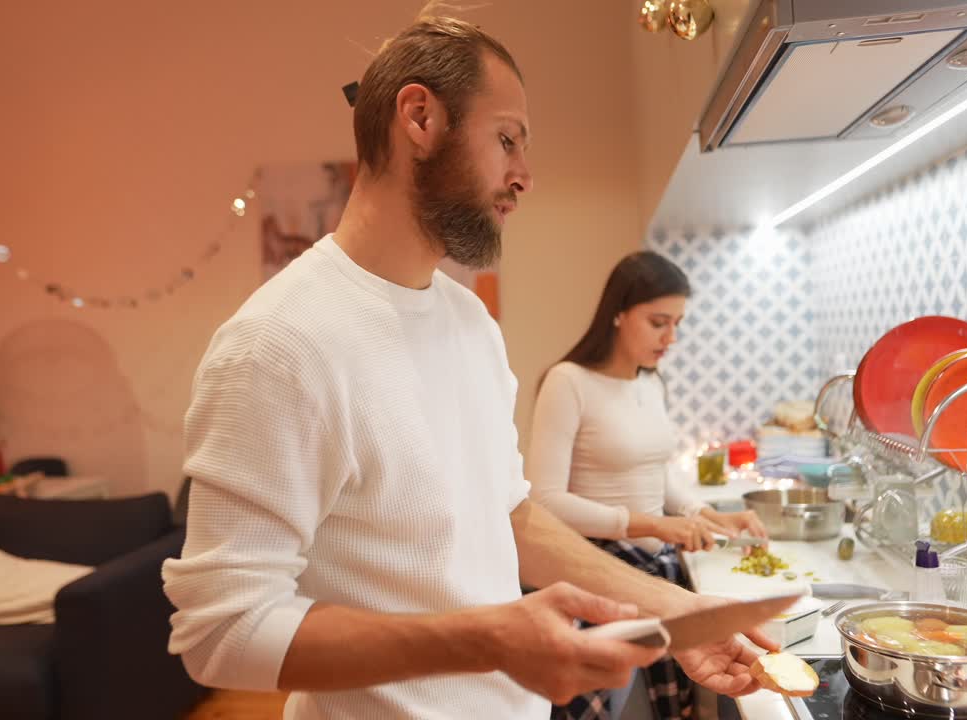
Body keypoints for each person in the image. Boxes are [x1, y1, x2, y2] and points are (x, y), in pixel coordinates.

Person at [162, 13, 776, 720]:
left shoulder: (470, 322)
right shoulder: (277, 343)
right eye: (507, 139)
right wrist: (488, 640)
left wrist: (678, 611)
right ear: (420, 118)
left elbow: (512, 517)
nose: (525, 176)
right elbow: (222, 631)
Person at [528, 251, 769, 719]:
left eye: (677, 323)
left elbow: (658, 472)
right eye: (659, 322)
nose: (670, 337)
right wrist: (653, 526)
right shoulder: (568, 382)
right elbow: (546, 501)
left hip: (654, 571)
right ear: (618, 313)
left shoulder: (651, 382)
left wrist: (708, 515)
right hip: (595, 572)